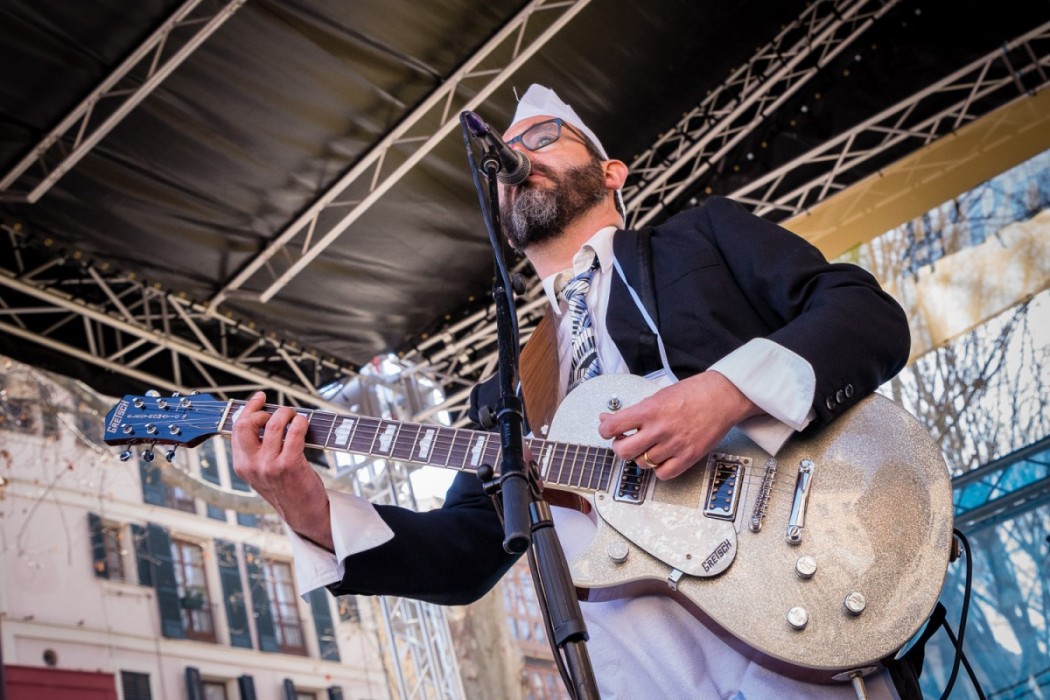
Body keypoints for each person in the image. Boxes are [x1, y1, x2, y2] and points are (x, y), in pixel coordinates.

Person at [232, 84, 914, 699]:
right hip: (640, 671)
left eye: (542, 137)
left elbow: (865, 318)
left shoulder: (700, 237)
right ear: (502, 221)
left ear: (611, 172)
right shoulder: (508, 384)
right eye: (507, 152)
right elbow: (468, 552)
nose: (516, 156)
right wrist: (311, 510)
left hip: (794, 611)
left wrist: (726, 394)